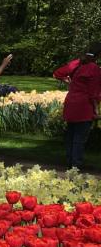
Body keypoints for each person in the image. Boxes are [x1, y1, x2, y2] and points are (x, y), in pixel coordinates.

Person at [53, 42, 101, 170]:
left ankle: (70, 162)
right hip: (84, 105)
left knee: (71, 135)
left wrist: (68, 81)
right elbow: (94, 92)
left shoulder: (77, 63)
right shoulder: (94, 69)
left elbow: (57, 73)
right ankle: (76, 165)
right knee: (80, 137)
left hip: (71, 102)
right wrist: (96, 109)